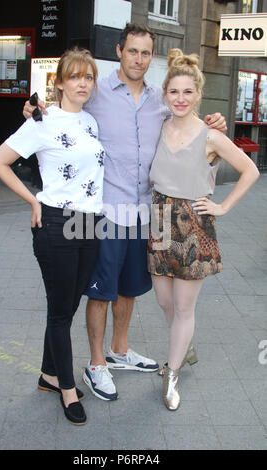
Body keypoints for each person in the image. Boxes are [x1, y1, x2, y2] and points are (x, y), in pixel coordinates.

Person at [23, 23, 227, 402]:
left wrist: (215, 120)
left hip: (148, 213)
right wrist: (37, 109)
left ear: (152, 57)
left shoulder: (159, 98)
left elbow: (188, 112)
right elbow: (63, 105)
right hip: (105, 211)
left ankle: (119, 349)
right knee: (101, 291)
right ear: (119, 51)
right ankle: (97, 363)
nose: (138, 58)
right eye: (132, 51)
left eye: (146, 53)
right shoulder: (96, 93)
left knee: (131, 286)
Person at [0, 48, 105, 425]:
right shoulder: (42, 120)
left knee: (68, 306)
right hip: (56, 223)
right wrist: (32, 200)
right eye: (75, 76)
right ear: (59, 83)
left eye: (88, 77)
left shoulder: (91, 121)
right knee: (60, 312)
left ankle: (47, 374)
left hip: (90, 224)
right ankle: (66, 389)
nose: (83, 83)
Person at [148, 49, 260, 411]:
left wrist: (223, 206)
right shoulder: (160, 124)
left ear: (198, 95)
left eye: (187, 92)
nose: (180, 99)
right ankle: (185, 346)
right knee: (164, 300)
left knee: (183, 307)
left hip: (195, 224)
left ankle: (173, 373)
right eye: (173, 92)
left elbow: (250, 170)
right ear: (165, 94)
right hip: (161, 218)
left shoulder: (210, 136)